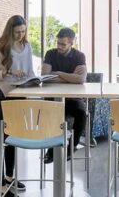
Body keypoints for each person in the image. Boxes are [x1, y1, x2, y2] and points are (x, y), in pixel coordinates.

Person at [0, 15, 35, 196]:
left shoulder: (27, 46)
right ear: (10, 31)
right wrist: (7, 72)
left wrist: (36, 80)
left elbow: (30, 72)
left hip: (19, 95)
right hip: (1, 95)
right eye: (17, 32)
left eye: (23, 31)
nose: (20, 35)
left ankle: (9, 177)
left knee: (12, 139)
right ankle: (0, 186)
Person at [41, 27, 87, 164]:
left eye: (63, 44)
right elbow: (45, 77)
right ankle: (51, 147)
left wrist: (58, 73)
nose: (59, 47)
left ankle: (71, 146)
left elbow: (80, 79)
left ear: (71, 43)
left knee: (81, 112)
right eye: (58, 43)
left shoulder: (79, 56)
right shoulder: (50, 53)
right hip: (52, 98)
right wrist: (70, 76)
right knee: (50, 110)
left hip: (72, 99)